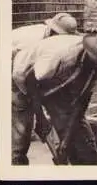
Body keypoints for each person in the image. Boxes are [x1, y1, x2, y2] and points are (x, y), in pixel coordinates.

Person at [12, 27, 97, 165]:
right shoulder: (62, 56)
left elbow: (81, 102)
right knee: (21, 133)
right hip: (23, 75)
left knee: (81, 142)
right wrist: (41, 118)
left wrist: (66, 142)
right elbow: (31, 81)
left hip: (55, 81)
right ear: (93, 55)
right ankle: (16, 166)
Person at [11, 13, 78, 165]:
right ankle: (17, 160)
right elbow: (20, 76)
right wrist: (39, 115)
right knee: (22, 116)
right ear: (53, 32)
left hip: (25, 70)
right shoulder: (31, 41)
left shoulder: (53, 44)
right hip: (10, 66)